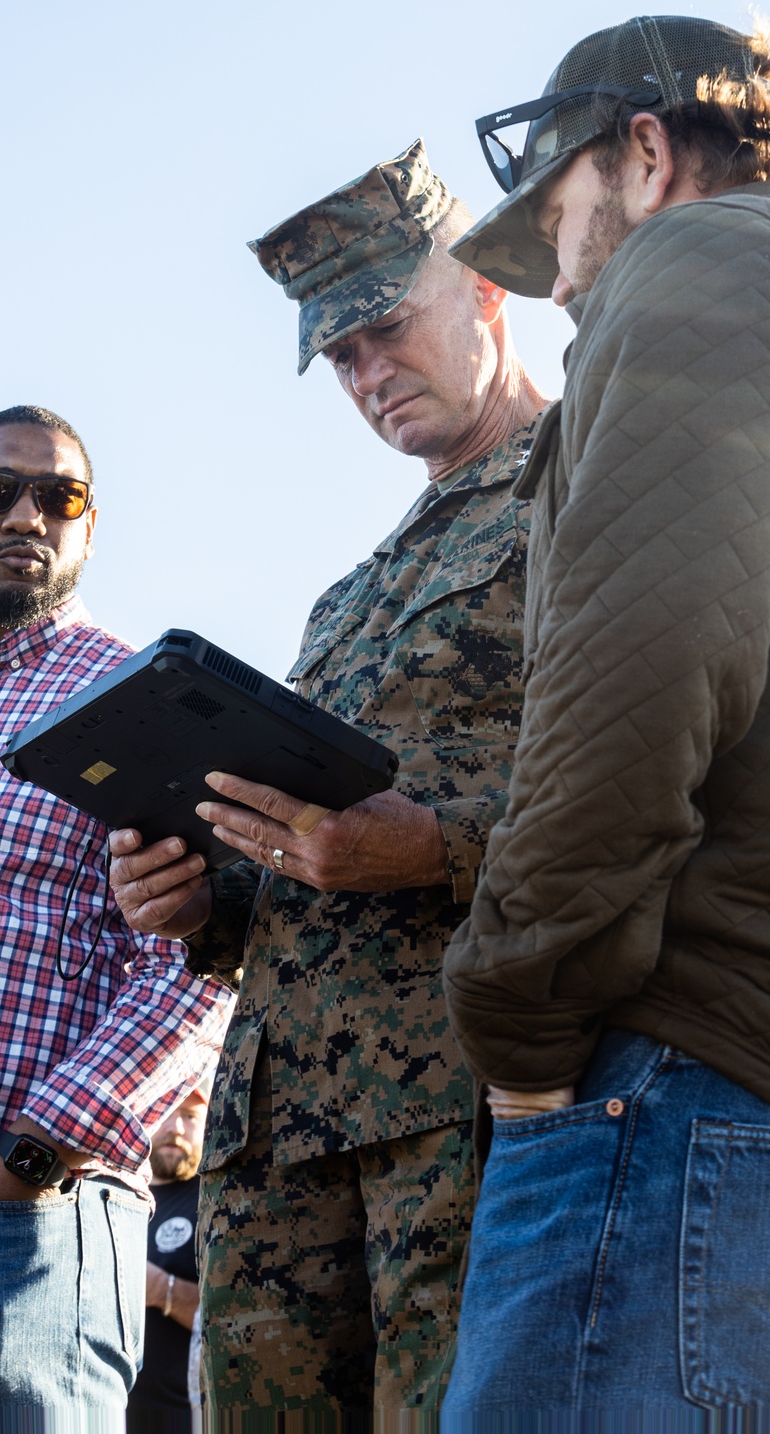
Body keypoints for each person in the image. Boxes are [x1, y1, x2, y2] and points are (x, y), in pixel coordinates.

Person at [440, 15, 770, 1414]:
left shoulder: (706, 254)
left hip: (692, 1088)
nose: (566, 286)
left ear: (644, 151)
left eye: (563, 228)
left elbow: (644, 666)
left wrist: (517, 1018)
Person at [110, 139, 548, 1418]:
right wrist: (199, 901)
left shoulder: (589, 489)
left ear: (482, 293)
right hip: (272, 1125)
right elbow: (299, 861)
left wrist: (440, 850)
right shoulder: (345, 596)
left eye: (384, 330)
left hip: (465, 1104)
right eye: (340, 357)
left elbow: (663, 780)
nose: (367, 375)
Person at [0, 406, 230, 1418]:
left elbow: (199, 956)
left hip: (12, 1224)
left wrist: (35, 1154)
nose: (28, 514)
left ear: (89, 527)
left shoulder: (141, 703)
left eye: (60, 496)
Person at [128, 1078, 212, 1433]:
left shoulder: (215, 1201)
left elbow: (238, 1314)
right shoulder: (115, 1196)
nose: (176, 1127)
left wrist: (161, 1288)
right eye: (166, 1111)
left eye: (190, 1116)